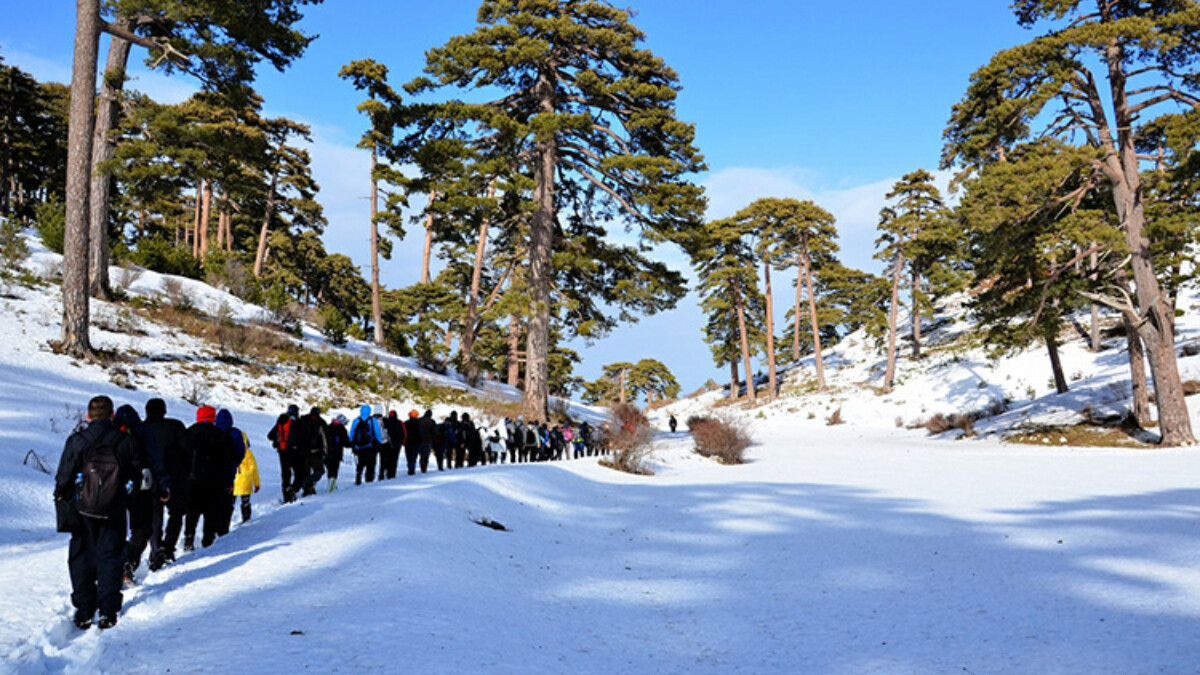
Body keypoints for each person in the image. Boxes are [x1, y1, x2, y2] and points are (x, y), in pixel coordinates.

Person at [54, 395, 137, 630]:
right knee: (111, 557)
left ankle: (84, 610)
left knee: (81, 557)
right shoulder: (125, 441)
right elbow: (137, 475)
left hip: (82, 509)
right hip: (114, 509)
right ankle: (108, 611)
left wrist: (64, 501)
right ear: (112, 415)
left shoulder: (77, 440)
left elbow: (64, 477)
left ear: (88, 416)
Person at [113, 404, 168, 588]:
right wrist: (163, 485)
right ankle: (129, 562)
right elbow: (155, 458)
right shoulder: (143, 431)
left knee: (114, 530)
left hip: (112, 487)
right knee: (142, 527)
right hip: (142, 485)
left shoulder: (111, 432)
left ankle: (111, 567)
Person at [142, 398, 186, 571]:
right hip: (175, 477)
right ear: (164, 411)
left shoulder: (141, 428)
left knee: (154, 517)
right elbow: (186, 451)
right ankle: (168, 548)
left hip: (149, 480)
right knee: (176, 514)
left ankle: (155, 551)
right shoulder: (176, 426)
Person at [184, 406, 235, 550]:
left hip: (190, 479)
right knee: (211, 511)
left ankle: (189, 537)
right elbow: (226, 461)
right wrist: (228, 482)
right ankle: (208, 540)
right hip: (213, 480)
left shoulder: (188, 432)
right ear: (213, 417)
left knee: (192, 511)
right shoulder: (219, 435)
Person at [215, 409, 248, 534]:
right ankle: (223, 530)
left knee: (213, 503)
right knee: (227, 503)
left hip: (211, 473)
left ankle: (210, 532)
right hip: (229, 473)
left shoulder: (213, 432)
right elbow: (240, 452)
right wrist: (235, 464)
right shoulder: (235, 433)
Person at [268, 405, 301, 503]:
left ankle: (286, 497)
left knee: (285, 475)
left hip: (282, 452)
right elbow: (301, 436)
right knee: (299, 473)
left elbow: (270, 435)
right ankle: (292, 490)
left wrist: (277, 442)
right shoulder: (296, 422)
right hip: (293, 451)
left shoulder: (281, 420)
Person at [294, 407, 328, 496]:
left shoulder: (302, 420)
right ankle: (306, 485)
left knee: (307, 472)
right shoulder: (321, 422)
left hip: (302, 451)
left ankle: (307, 489)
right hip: (315, 452)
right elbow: (325, 439)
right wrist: (325, 451)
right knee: (319, 471)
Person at [350, 404, 383, 484]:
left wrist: (352, 443)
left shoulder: (356, 420)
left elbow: (352, 433)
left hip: (358, 447)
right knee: (370, 463)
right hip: (369, 446)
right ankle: (369, 479)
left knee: (360, 462)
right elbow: (377, 432)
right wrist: (379, 442)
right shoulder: (372, 420)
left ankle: (358, 474)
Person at [232, 432, 260, 522]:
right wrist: (257, 483)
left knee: (229, 504)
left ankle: (226, 522)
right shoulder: (248, 454)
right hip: (246, 482)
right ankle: (246, 519)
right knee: (245, 502)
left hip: (233, 482)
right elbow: (254, 469)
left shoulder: (231, 451)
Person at [325, 414, 350, 491]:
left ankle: (331, 483)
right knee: (335, 469)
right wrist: (352, 444)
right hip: (337, 452)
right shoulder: (341, 429)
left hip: (327, 452)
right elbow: (346, 442)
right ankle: (332, 484)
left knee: (329, 468)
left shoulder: (328, 427)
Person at [381, 411, 407, 480]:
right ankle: (392, 474)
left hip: (387, 443)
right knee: (394, 459)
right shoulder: (400, 422)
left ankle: (385, 472)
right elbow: (404, 433)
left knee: (387, 458)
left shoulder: (385, 422)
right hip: (397, 444)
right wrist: (402, 442)